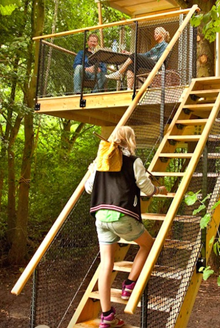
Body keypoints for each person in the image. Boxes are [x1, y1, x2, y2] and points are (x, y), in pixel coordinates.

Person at [85, 126, 167, 328]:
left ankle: (106, 315)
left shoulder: (101, 161)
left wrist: (91, 170)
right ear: (130, 140)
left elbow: (89, 189)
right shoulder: (134, 161)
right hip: (122, 216)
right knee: (148, 245)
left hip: (101, 217)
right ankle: (129, 285)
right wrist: (159, 189)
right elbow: (147, 189)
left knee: (106, 263)